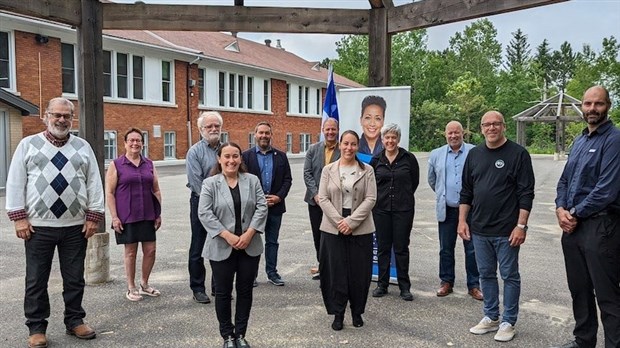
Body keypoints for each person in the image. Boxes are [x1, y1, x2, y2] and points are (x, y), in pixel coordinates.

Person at [5, 97, 103, 347]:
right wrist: (19, 218)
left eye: (66, 116)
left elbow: (94, 182)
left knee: (74, 277)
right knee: (36, 278)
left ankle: (75, 320)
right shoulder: (28, 145)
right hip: (38, 226)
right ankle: (36, 327)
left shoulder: (83, 147)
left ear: (72, 118)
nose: (61, 120)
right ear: (46, 116)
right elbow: (16, 181)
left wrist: (94, 216)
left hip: (75, 226)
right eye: (56, 115)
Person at [458, 111, 535, 342]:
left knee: (510, 275)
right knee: (486, 274)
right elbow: (466, 191)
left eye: (495, 124)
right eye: (486, 124)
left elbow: (526, 193)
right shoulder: (474, 155)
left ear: (503, 127)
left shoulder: (518, 154)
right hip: (479, 229)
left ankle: (508, 321)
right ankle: (491, 317)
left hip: (507, 230)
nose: (491, 128)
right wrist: (462, 220)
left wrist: (521, 225)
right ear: (481, 128)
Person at [553, 86, 620, 348]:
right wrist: (560, 209)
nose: (592, 109)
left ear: (608, 106)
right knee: (579, 290)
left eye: (598, 104)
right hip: (572, 229)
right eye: (587, 104)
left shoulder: (614, 140)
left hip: (602, 227)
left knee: (607, 294)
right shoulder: (580, 141)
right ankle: (584, 340)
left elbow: (607, 189)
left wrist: (574, 213)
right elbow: (564, 181)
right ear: (581, 106)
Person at [198, 142, 268, 348]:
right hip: (221, 246)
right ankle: (227, 335)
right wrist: (227, 235)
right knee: (223, 292)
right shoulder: (210, 183)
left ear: (240, 159)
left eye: (235, 156)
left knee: (245, 291)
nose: (231, 160)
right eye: (227, 156)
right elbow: (204, 213)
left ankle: (240, 334)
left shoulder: (252, 181)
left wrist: (249, 233)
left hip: (249, 244)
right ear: (219, 159)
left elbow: (262, 207)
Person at [318, 130, 377, 331]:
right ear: (340, 145)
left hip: (360, 228)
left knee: (359, 273)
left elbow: (371, 198)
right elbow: (322, 198)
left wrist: (351, 222)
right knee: (335, 272)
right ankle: (338, 313)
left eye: (353, 144)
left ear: (357, 146)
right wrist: (339, 222)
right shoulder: (328, 170)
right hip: (332, 228)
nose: (349, 148)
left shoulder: (367, 170)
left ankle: (357, 311)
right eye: (345, 144)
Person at [105, 128, 162, 302]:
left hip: (148, 213)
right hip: (126, 215)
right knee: (130, 252)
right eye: (132, 140)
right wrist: (114, 217)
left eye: (138, 140)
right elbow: (109, 193)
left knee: (150, 251)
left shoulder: (149, 164)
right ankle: (131, 287)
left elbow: (156, 189)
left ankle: (144, 284)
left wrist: (158, 213)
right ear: (125, 143)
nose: (135, 143)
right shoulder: (116, 164)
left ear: (142, 143)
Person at [428, 121, 482, 301]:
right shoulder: (436, 154)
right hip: (447, 210)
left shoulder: (475, 152)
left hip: (471, 211)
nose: (453, 136)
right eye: (450, 133)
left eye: (456, 132)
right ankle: (446, 282)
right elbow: (432, 180)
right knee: (445, 248)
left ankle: (474, 285)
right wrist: (445, 194)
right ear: (445, 134)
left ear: (463, 133)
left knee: (473, 249)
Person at [370, 123, 419, 301]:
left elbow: (414, 182)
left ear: (398, 139)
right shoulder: (376, 160)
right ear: (382, 140)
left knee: (401, 248)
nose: (390, 141)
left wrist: (401, 197)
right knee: (383, 248)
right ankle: (382, 284)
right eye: (387, 137)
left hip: (403, 210)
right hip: (381, 210)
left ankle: (404, 286)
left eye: (393, 137)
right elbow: (371, 185)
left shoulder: (409, 159)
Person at [242, 122, 292, 286]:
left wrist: (278, 197)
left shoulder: (281, 156)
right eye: (260, 133)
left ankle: (272, 273)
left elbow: (287, 180)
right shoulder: (246, 156)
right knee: (251, 241)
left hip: (275, 206)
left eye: (267, 133)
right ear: (255, 135)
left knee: (272, 241)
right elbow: (242, 181)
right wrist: (256, 199)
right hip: (253, 208)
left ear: (271, 135)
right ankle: (251, 275)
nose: (264, 136)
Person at [186, 111, 223, 304]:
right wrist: (212, 203)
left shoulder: (226, 149)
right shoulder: (195, 152)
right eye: (209, 126)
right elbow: (196, 182)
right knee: (198, 246)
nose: (213, 129)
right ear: (201, 130)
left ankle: (219, 286)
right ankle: (198, 288)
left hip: (224, 205)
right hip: (201, 202)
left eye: (216, 125)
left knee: (220, 245)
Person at [303, 117, 340, 280]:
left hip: (335, 202)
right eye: (328, 129)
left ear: (337, 130)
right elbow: (307, 173)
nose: (330, 132)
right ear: (323, 130)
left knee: (334, 236)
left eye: (333, 129)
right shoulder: (313, 149)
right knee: (318, 236)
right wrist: (316, 194)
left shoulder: (343, 149)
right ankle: (322, 267)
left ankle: (335, 269)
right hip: (315, 201)